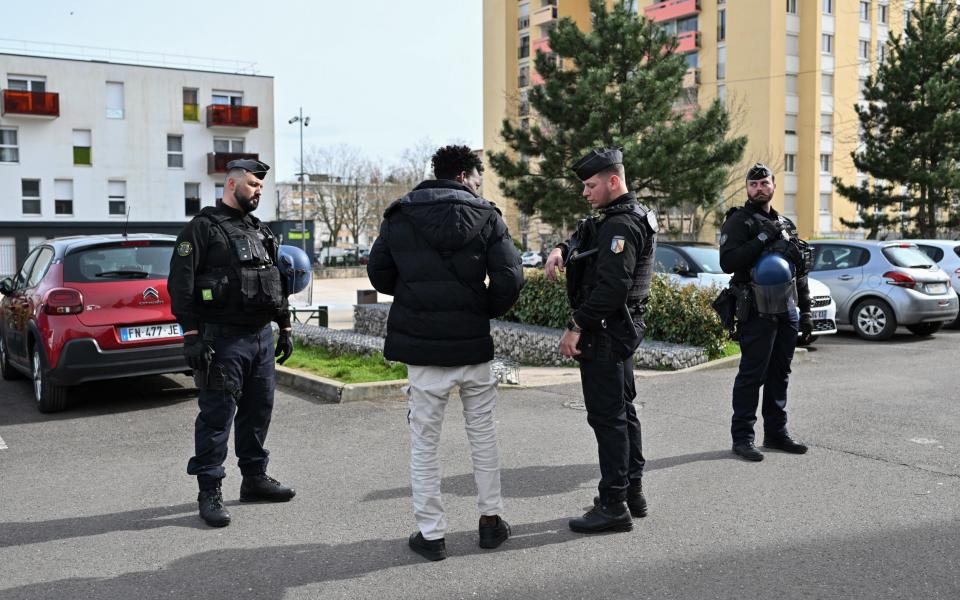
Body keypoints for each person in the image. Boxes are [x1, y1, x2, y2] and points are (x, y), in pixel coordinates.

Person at [367, 145, 523, 561]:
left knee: (425, 444)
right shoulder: (487, 215)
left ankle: (431, 534)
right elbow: (510, 278)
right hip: (473, 347)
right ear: (462, 175)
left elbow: (379, 273)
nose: (478, 184)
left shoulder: (400, 214)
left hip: (423, 353)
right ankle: (491, 524)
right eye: (477, 176)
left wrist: (417, 295)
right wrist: (480, 309)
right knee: (483, 437)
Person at [168, 159, 297, 528]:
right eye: (254, 184)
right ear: (232, 184)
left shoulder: (260, 231)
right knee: (216, 417)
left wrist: (284, 328)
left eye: (261, 186)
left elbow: (276, 282)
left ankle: (254, 479)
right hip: (221, 341)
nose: (259, 191)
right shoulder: (202, 229)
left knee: (259, 411)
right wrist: (191, 336)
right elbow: (181, 286)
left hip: (259, 338)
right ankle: (209, 490)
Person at [544, 147, 658, 534]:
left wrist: (576, 325)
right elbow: (585, 231)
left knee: (608, 419)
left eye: (591, 185)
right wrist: (560, 248)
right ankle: (631, 493)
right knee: (623, 412)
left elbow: (612, 287)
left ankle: (613, 505)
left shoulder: (620, 226)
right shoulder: (624, 215)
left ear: (613, 181)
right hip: (623, 330)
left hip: (606, 332)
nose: (584, 192)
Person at [719, 163, 813, 462]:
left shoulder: (786, 224)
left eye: (764, 183)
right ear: (747, 188)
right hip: (755, 307)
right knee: (752, 374)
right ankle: (743, 438)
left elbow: (799, 271)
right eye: (753, 184)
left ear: (774, 185)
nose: (759, 188)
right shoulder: (739, 221)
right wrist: (762, 238)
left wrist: (807, 311)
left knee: (780, 373)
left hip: (786, 307)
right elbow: (728, 262)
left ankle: (776, 433)